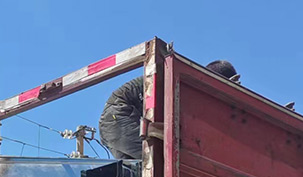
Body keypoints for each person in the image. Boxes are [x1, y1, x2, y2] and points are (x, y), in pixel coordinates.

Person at [98, 60, 238, 160]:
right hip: (118, 115)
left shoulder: (187, 85)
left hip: (116, 121)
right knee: (162, 161)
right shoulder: (189, 86)